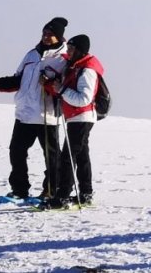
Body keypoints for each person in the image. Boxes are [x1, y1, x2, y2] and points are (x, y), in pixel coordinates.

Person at [0, 16, 70, 203]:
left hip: (46, 115)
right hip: (25, 113)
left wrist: (50, 84)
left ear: (59, 37)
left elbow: (65, 85)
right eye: (44, 33)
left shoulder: (64, 58)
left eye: (50, 34)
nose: (46, 36)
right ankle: (19, 190)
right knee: (16, 151)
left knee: (51, 156)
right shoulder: (31, 54)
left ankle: (51, 190)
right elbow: (18, 80)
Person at [42, 33, 104, 209]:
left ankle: (62, 197)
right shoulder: (75, 67)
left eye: (71, 48)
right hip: (76, 117)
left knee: (68, 156)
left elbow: (84, 98)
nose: (68, 51)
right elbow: (64, 90)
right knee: (81, 155)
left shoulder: (87, 70)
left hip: (82, 116)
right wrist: (51, 86)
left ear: (80, 50)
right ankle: (86, 193)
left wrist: (60, 90)